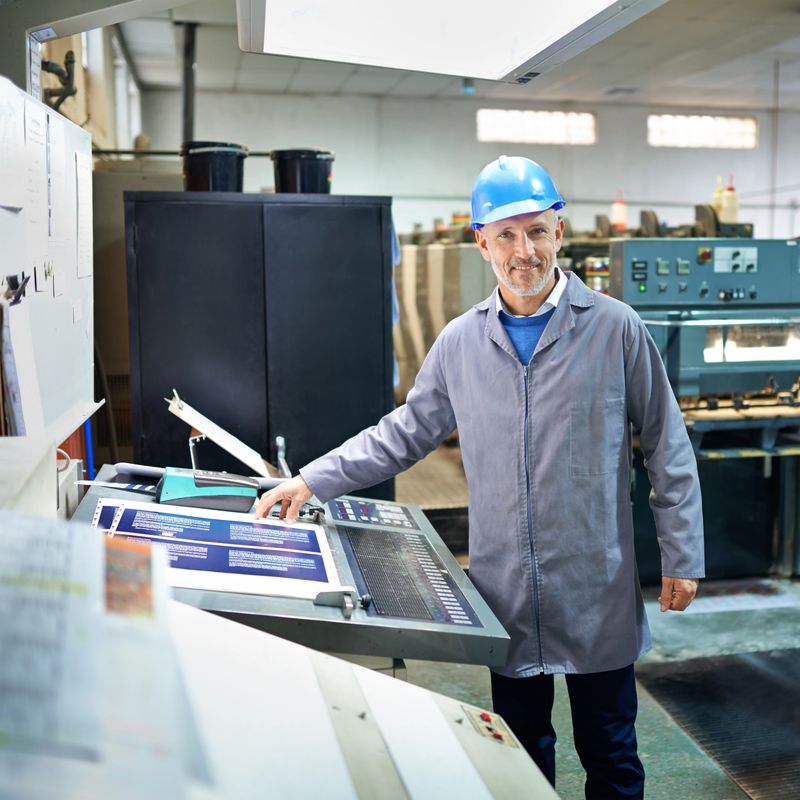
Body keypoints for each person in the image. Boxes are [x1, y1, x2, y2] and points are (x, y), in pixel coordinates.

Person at [255, 155, 704, 799]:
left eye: (537, 231)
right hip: (506, 594)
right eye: (507, 235)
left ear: (559, 230)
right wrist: (314, 480)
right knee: (519, 756)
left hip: (594, 586)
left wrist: (682, 555)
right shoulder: (462, 342)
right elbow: (405, 432)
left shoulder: (614, 329)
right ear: (482, 243)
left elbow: (667, 445)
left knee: (611, 748)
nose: (525, 251)